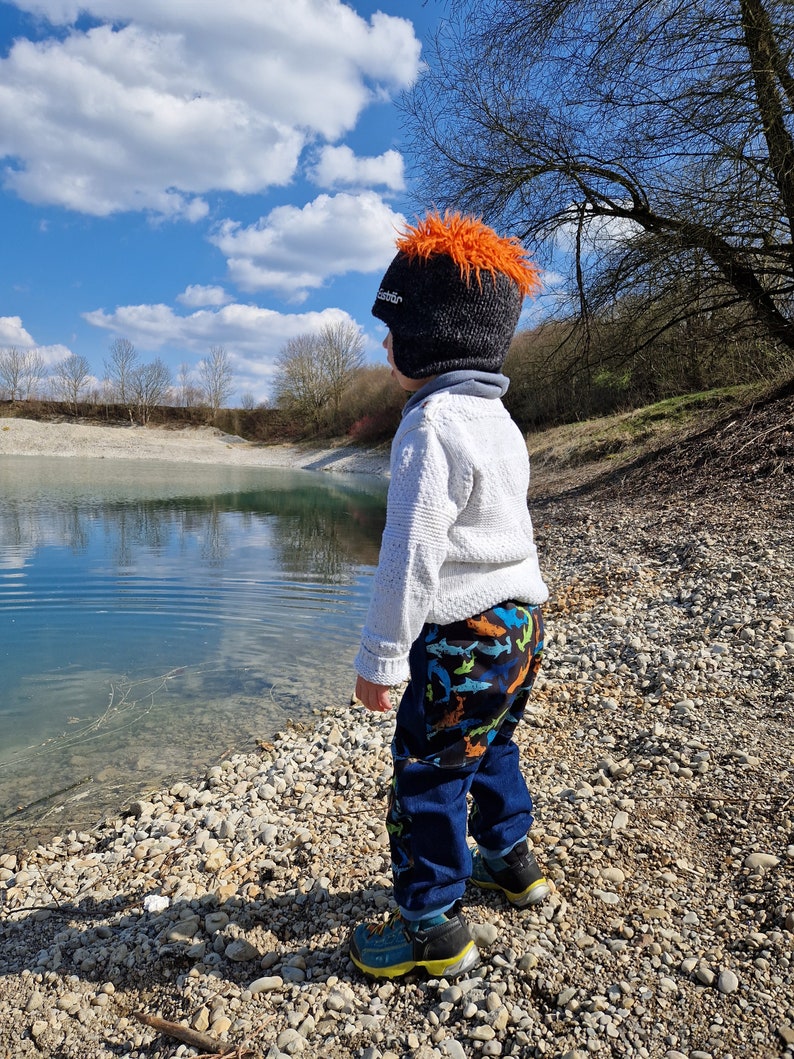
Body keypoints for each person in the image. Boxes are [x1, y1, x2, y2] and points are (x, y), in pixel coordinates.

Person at [349, 211, 551, 980]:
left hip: (462, 635)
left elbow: (409, 557)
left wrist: (384, 656)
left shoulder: (430, 425)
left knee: (429, 769)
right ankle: (511, 859)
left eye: (391, 327)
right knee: (492, 740)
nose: (384, 342)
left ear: (432, 337)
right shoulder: (498, 418)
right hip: (522, 623)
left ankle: (432, 924)